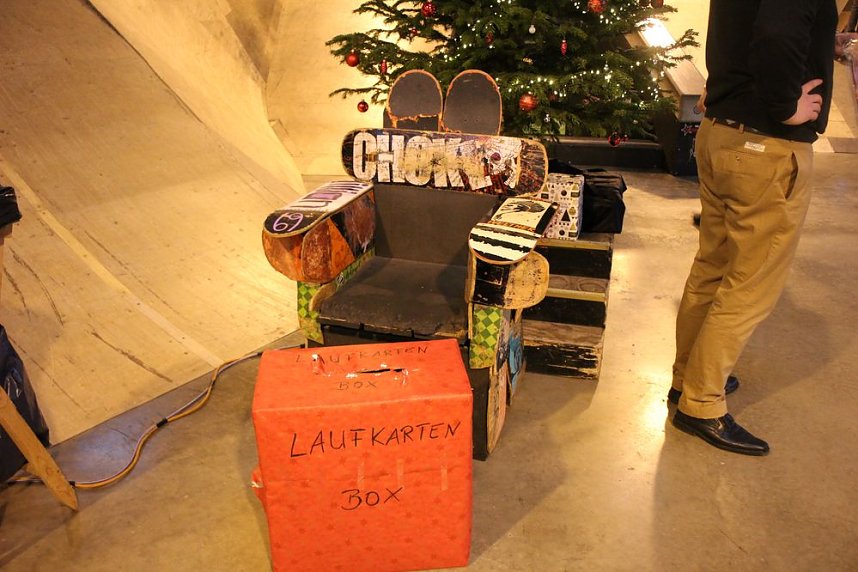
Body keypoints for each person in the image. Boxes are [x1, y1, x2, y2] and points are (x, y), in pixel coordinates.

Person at [669, 0, 837, 456]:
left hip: (722, 133)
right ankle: (701, 402)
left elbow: (742, 30)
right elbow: (778, 34)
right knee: (749, 283)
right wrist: (785, 107)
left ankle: (687, 378)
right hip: (764, 148)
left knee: (713, 267)